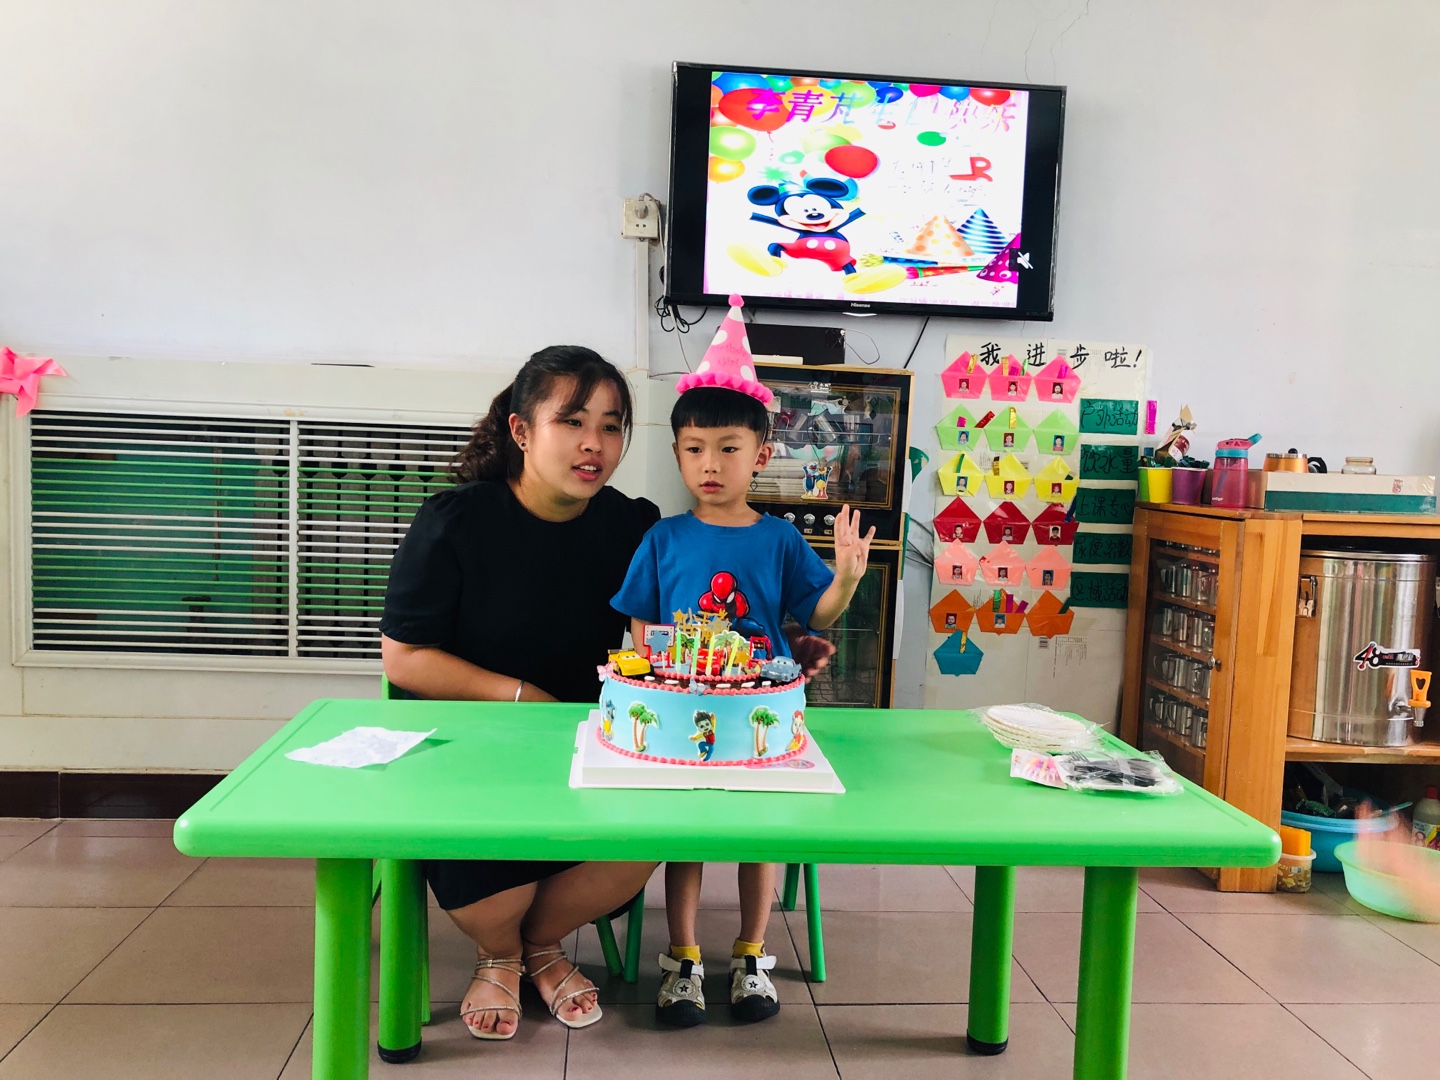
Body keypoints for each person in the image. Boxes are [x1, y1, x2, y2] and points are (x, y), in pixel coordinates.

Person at [379, 346, 663, 1041]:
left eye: (612, 426)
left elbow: (654, 639)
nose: (595, 443)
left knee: (653, 829)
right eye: (573, 421)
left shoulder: (632, 527)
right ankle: (500, 949)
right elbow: (406, 657)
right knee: (492, 886)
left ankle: (535, 944)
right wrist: (520, 698)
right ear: (521, 430)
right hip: (470, 747)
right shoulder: (455, 521)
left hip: (584, 744)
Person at [610, 295, 873, 1029]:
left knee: (761, 834)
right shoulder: (663, 538)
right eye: (695, 448)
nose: (710, 463)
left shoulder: (780, 538)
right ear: (677, 454)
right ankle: (683, 958)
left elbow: (817, 616)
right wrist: (646, 678)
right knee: (687, 838)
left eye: (728, 448)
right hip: (682, 710)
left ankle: (752, 954)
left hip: (760, 713)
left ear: (760, 454)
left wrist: (846, 578)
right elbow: (639, 626)